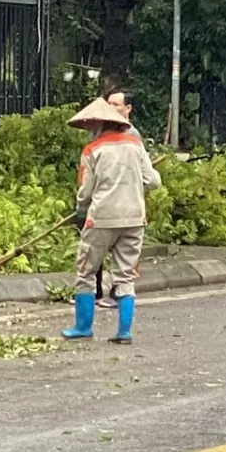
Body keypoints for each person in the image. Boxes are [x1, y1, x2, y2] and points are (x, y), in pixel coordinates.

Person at [64, 97, 161, 344]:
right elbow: (153, 182)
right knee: (126, 276)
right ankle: (124, 332)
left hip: (102, 219)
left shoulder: (92, 150)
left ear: (98, 124)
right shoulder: (136, 145)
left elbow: (85, 191)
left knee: (86, 271)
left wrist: (80, 210)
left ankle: (83, 327)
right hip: (134, 219)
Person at [95, 91, 142, 308]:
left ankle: (115, 294)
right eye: (109, 103)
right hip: (103, 201)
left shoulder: (132, 135)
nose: (111, 107)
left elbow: (143, 175)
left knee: (122, 259)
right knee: (95, 253)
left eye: (116, 104)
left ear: (128, 108)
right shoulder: (99, 132)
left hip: (122, 203)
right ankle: (97, 292)